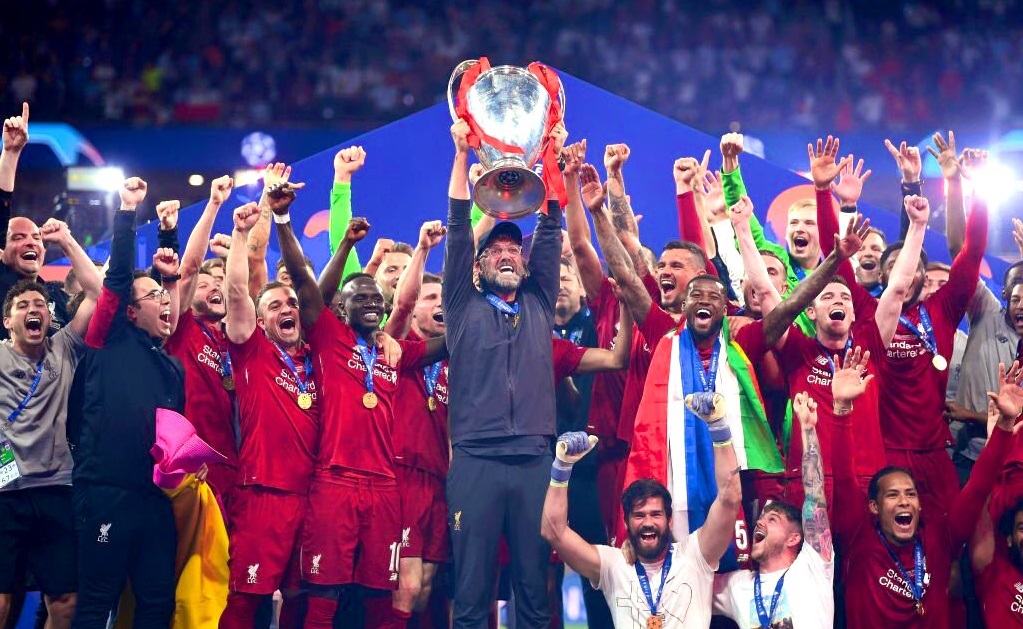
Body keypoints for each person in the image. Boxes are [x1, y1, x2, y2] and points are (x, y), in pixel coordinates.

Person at [270, 181, 444, 629]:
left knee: (379, 593)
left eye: (376, 299)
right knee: (324, 593)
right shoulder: (329, 338)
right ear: (340, 308)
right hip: (335, 481)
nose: (371, 303)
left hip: (385, 486)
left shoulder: (394, 352)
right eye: (359, 298)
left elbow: (450, 341)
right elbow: (305, 284)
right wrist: (284, 220)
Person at [443, 117, 565, 629]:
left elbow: (551, 229)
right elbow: (456, 228)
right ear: (479, 265)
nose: (508, 254)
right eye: (496, 250)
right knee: (472, 589)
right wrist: (461, 154)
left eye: (515, 248)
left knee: (535, 589)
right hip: (476, 458)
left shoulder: (538, 302)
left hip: (535, 457)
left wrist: (551, 157)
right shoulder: (460, 304)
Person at [832, 349, 1021, 629]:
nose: (904, 501)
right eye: (892, 495)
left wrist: (1005, 426)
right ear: (873, 507)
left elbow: (977, 489)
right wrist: (842, 409)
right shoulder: (857, 540)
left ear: (920, 505)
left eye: (910, 494)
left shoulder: (939, 540)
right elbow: (844, 479)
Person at [70, 177, 184, 629]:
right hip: (106, 493)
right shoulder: (109, 337)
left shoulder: (172, 369)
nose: (166, 302)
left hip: (154, 500)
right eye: (155, 296)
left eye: (165, 295)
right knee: (97, 603)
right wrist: (126, 211)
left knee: (158, 603)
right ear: (130, 312)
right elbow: (117, 280)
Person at [540, 390, 743, 629]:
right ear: (626, 523)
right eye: (639, 515)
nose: (648, 522)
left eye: (656, 514)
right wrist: (561, 469)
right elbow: (553, 532)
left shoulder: (695, 556)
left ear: (669, 520)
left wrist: (719, 427)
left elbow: (730, 498)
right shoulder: (612, 565)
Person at [217, 202, 321, 629]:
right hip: (263, 492)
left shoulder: (318, 358)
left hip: (313, 495)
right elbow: (236, 293)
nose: (287, 309)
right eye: (275, 306)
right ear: (259, 321)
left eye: (291, 303)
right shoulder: (252, 350)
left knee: (302, 596)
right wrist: (241, 236)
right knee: (247, 597)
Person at [0, 218, 101, 629]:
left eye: (39, 305)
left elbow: (99, 293)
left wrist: (67, 240)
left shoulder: (66, 348)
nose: (33, 310)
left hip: (57, 489)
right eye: (23, 306)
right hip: (5, 495)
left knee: (66, 602)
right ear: (7, 321)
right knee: (2, 601)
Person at [712, 391, 835, 628]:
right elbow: (685, 581)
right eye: (762, 519)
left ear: (794, 538)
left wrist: (808, 430)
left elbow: (815, 496)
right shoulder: (736, 586)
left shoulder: (812, 566)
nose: (759, 522)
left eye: (773, 519)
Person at [163, 175, 240, 512]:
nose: (215, 288)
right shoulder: (183, 328)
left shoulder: (234, 339)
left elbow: (249, 285)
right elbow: (190, 268)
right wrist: (214, 204)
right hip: (194, 465)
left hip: (237, 465)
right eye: (205, 285)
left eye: (217, 284)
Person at [0, 103, 70, 339]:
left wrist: (67, 241)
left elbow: (97, 296)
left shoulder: (54, 295)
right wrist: (11, 154)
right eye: (18, 237)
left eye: (36, 237)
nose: (30, 242)